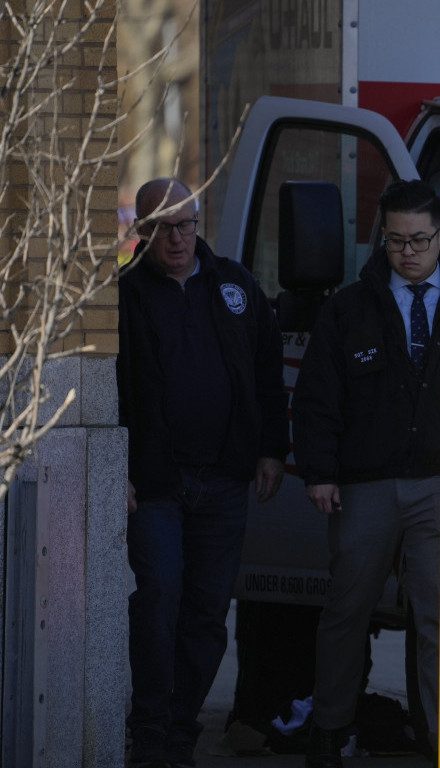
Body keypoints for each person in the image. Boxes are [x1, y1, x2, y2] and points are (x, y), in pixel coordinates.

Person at [291, 179, 440, 768]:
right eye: (393, 241)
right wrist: (318, 473)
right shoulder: (348, 309)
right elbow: (317, 398)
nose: (407, 252)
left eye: (418, 240)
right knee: (346, 611)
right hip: (363, 487)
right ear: (380, 239)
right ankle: (331, 732)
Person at [118, 177, 289, 768]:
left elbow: (268, 371)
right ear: (141, 231)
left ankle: (180, 733)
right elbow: (113, 390)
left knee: (208, 612)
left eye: (187, 224)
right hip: (156, 484)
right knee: (159, 599)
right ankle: (149, 731)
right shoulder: (124, 295)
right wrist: (118, 470)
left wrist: (272, 449)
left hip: (224, 481)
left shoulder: (234, 285)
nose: (178, 238)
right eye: (164, 227)